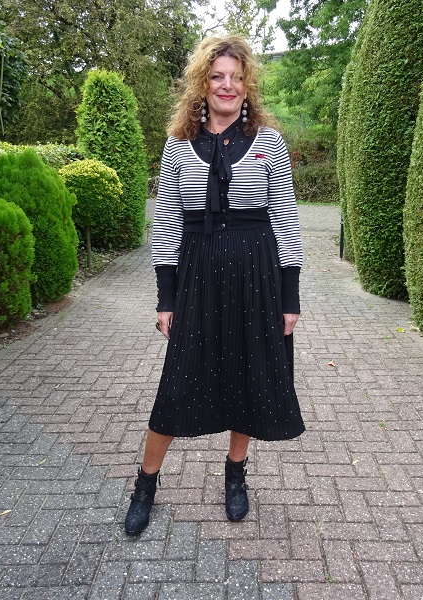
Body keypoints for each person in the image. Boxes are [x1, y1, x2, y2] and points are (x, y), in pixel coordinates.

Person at [125, 35, 305, 536]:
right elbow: (166, 222)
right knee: (177, 382)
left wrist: (289, 297)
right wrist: (166, 295)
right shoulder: (179, 143)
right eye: (217, 76)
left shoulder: (269, 141)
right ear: (202, 84)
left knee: (248, 376)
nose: (227, 85)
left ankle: (235, 476)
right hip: (199, 277)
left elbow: (286, 220)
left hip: (256, 276)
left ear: (248, 86)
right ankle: (145, 483)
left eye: (236, 77)